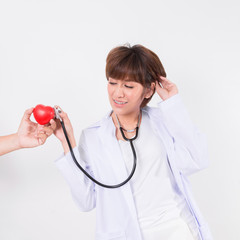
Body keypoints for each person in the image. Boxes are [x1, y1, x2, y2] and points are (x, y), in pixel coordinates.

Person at [51, 44, 213, 240]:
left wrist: (173, 104)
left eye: (128, 86)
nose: (118, 93)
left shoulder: (164, 119)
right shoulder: (93, 136)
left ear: (148, 90)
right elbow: (86, 200)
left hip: (175, 231)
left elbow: (197, 159)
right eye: (112, 83)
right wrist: (67, 142)